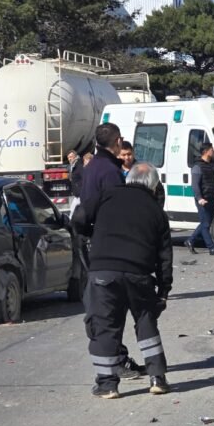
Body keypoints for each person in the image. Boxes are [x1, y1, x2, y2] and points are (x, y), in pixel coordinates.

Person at [74, 163, 173, 398]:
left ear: (129, 179)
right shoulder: (156, 210)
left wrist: (89, 233)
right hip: (139, 274)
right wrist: (164, 289)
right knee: (146, 322)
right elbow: (165, 255)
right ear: (154, 184)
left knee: (105, 327)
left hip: (103, 272)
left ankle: (108, 385)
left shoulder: (108, 194)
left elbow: (79, 216)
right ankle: (157, 378)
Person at [79, 122, 146, 380]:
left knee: (103, 307)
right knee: (109, 308)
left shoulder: (94, 166)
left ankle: (116, 358)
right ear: (117, 141)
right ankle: (115, 363)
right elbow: (113, 210)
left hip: (95, 241)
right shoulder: (109, 171)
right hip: (106, 245)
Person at [185, 142, 214, 256]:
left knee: (205, 223)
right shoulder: (197, 166)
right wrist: (199, 198)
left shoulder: (211, 164)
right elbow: (195, 185)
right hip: (202, 200)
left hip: (211, 198)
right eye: (212, 149)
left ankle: (190, 241)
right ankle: (212, 248)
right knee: (205, 225)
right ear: (206, 151)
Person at [118, 141, 165, 207]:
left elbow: (159, 191)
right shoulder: (115, 172)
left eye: (129, 154)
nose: (127, 158)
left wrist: (157, 208)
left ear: (133, 153)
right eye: (123, 155)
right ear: (118, 155)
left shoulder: (143, 169)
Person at [67, 149, 83, 216]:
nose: (69, 159)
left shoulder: (79, 165)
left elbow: (84, 177)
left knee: (73, 211)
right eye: (68, 157)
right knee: (73, 210)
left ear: (75, 156)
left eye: (71, 157)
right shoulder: (73, 166)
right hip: (77, 194)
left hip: (80, 193)